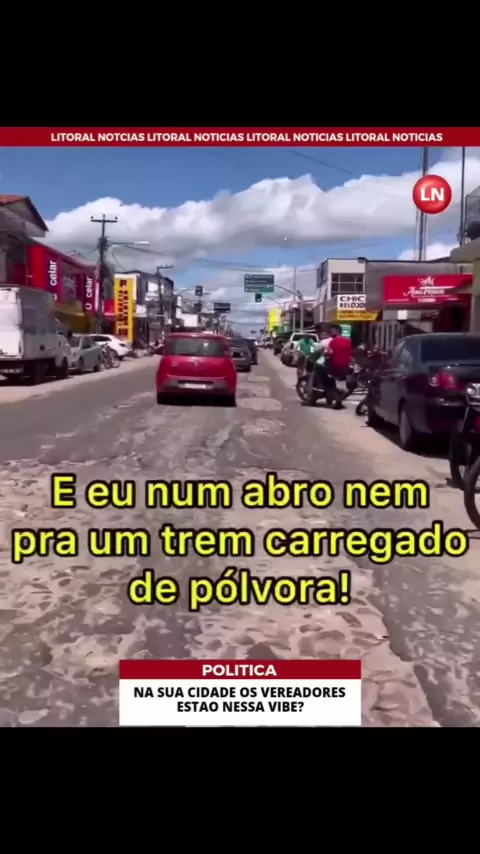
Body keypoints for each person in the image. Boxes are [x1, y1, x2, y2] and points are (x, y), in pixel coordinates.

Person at [313, 325, 352, 405]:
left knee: (318, 370)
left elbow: (328, 353)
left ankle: (319, 389)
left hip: (334, 367)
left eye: (331, 331)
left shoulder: (333, 341)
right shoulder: (348, 341)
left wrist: (325, 355)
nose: (330, 333)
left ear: (337, 331)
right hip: (345, 367)